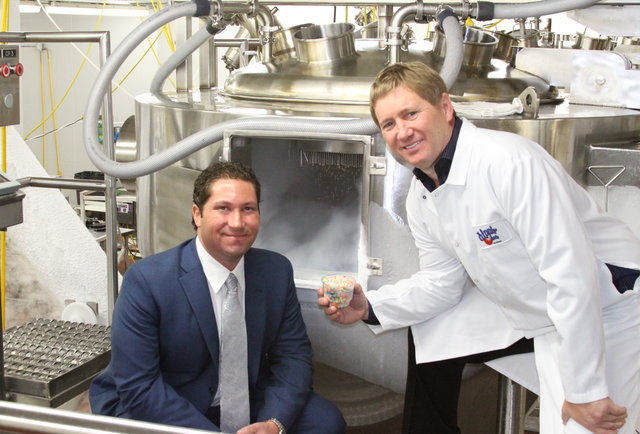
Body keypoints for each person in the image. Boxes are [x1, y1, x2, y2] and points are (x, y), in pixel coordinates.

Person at [318, 62, 640, 434]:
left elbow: (571, 275)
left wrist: (586, 390)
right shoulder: (422, 195)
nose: (402, 132)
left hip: (609, 306)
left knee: (590, 425)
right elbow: (441, 283)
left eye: (411, 114)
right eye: (388, 124)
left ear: (445, 107)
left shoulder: (509, 164)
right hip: (547, 317)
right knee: (435, 333)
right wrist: (369, 307)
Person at [91, 161, 346, 434]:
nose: (237, 223)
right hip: (167, 400)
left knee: (326, 422)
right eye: (223, 208)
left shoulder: (276, 271)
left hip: (244, 395)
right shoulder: (147, 281)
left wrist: (274, 423)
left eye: (248, 209)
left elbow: (293, 358)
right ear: (197, 214)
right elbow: (139, 386)